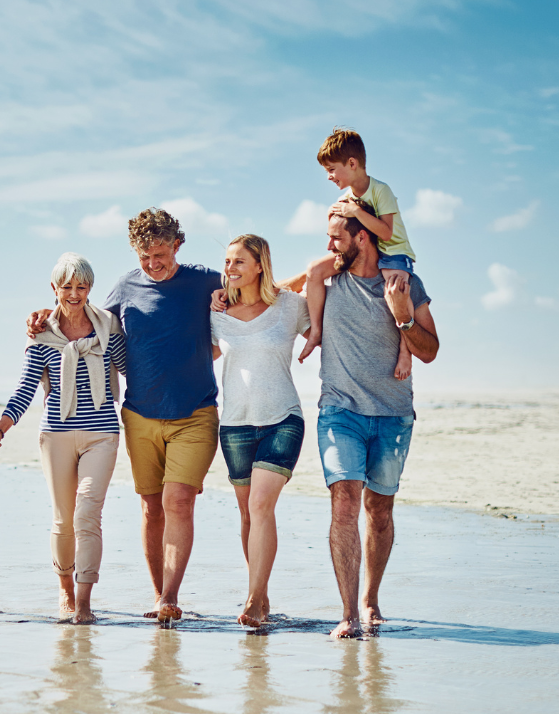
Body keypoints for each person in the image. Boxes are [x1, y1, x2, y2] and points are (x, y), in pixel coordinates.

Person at [27, 208, 221, 622]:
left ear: (178, 246)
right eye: (144, 256)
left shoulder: (206, 281)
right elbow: (82, 319)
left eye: (160, 254)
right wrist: (42, 317)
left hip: (196, 412)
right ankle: (157, 596)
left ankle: (170, 596)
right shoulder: (125, 289)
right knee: (152, 507)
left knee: (179, 500)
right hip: (140, 415)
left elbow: (257, 292)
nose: (152, 264)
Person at [314, 203, 439, 638]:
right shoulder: (326, 279)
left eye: (336, 237)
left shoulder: (405, 283)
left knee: (379, 510)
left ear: (362, 237)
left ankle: (370, 600)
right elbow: (268, 289)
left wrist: (402, 313)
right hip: (339, 411)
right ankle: (347, 613)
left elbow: (430, 349)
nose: (330, 245)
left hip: (393, 416)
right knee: (345, 499)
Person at [0, 253, 126, 624]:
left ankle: (83, 601)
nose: (75, 294)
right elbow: (24, 391)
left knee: (87, 514)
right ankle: (64, 592)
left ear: (90, 288)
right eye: (67, 287)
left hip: (102, 434)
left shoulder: (109, 327)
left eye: (82, 287)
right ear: (54, 289)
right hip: (57, 435)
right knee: (64, 519)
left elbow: (135, 369)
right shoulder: (43, 334)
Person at [208, 234, 310, 629]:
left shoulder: (289, 306)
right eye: (228, 262)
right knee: (248, 516)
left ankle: (252, 599)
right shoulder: (216, 312)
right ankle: (262, 595)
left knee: (261, 506)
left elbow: (321, 291)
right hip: (234, 424)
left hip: (282, 418)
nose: (230, 268)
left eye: (238, 262)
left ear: (259, 266)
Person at [299, 128, 419, 382]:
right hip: (363, 250)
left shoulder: (380, 191)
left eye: (332, 169)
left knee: (396, 290)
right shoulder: (346, 198)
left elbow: (386, 233)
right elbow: (343, 227)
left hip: (394, 253)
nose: (329, 176)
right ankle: (318, 331)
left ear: (352, 163)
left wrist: (355, 211)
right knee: (314, 271)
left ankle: (405, 352)